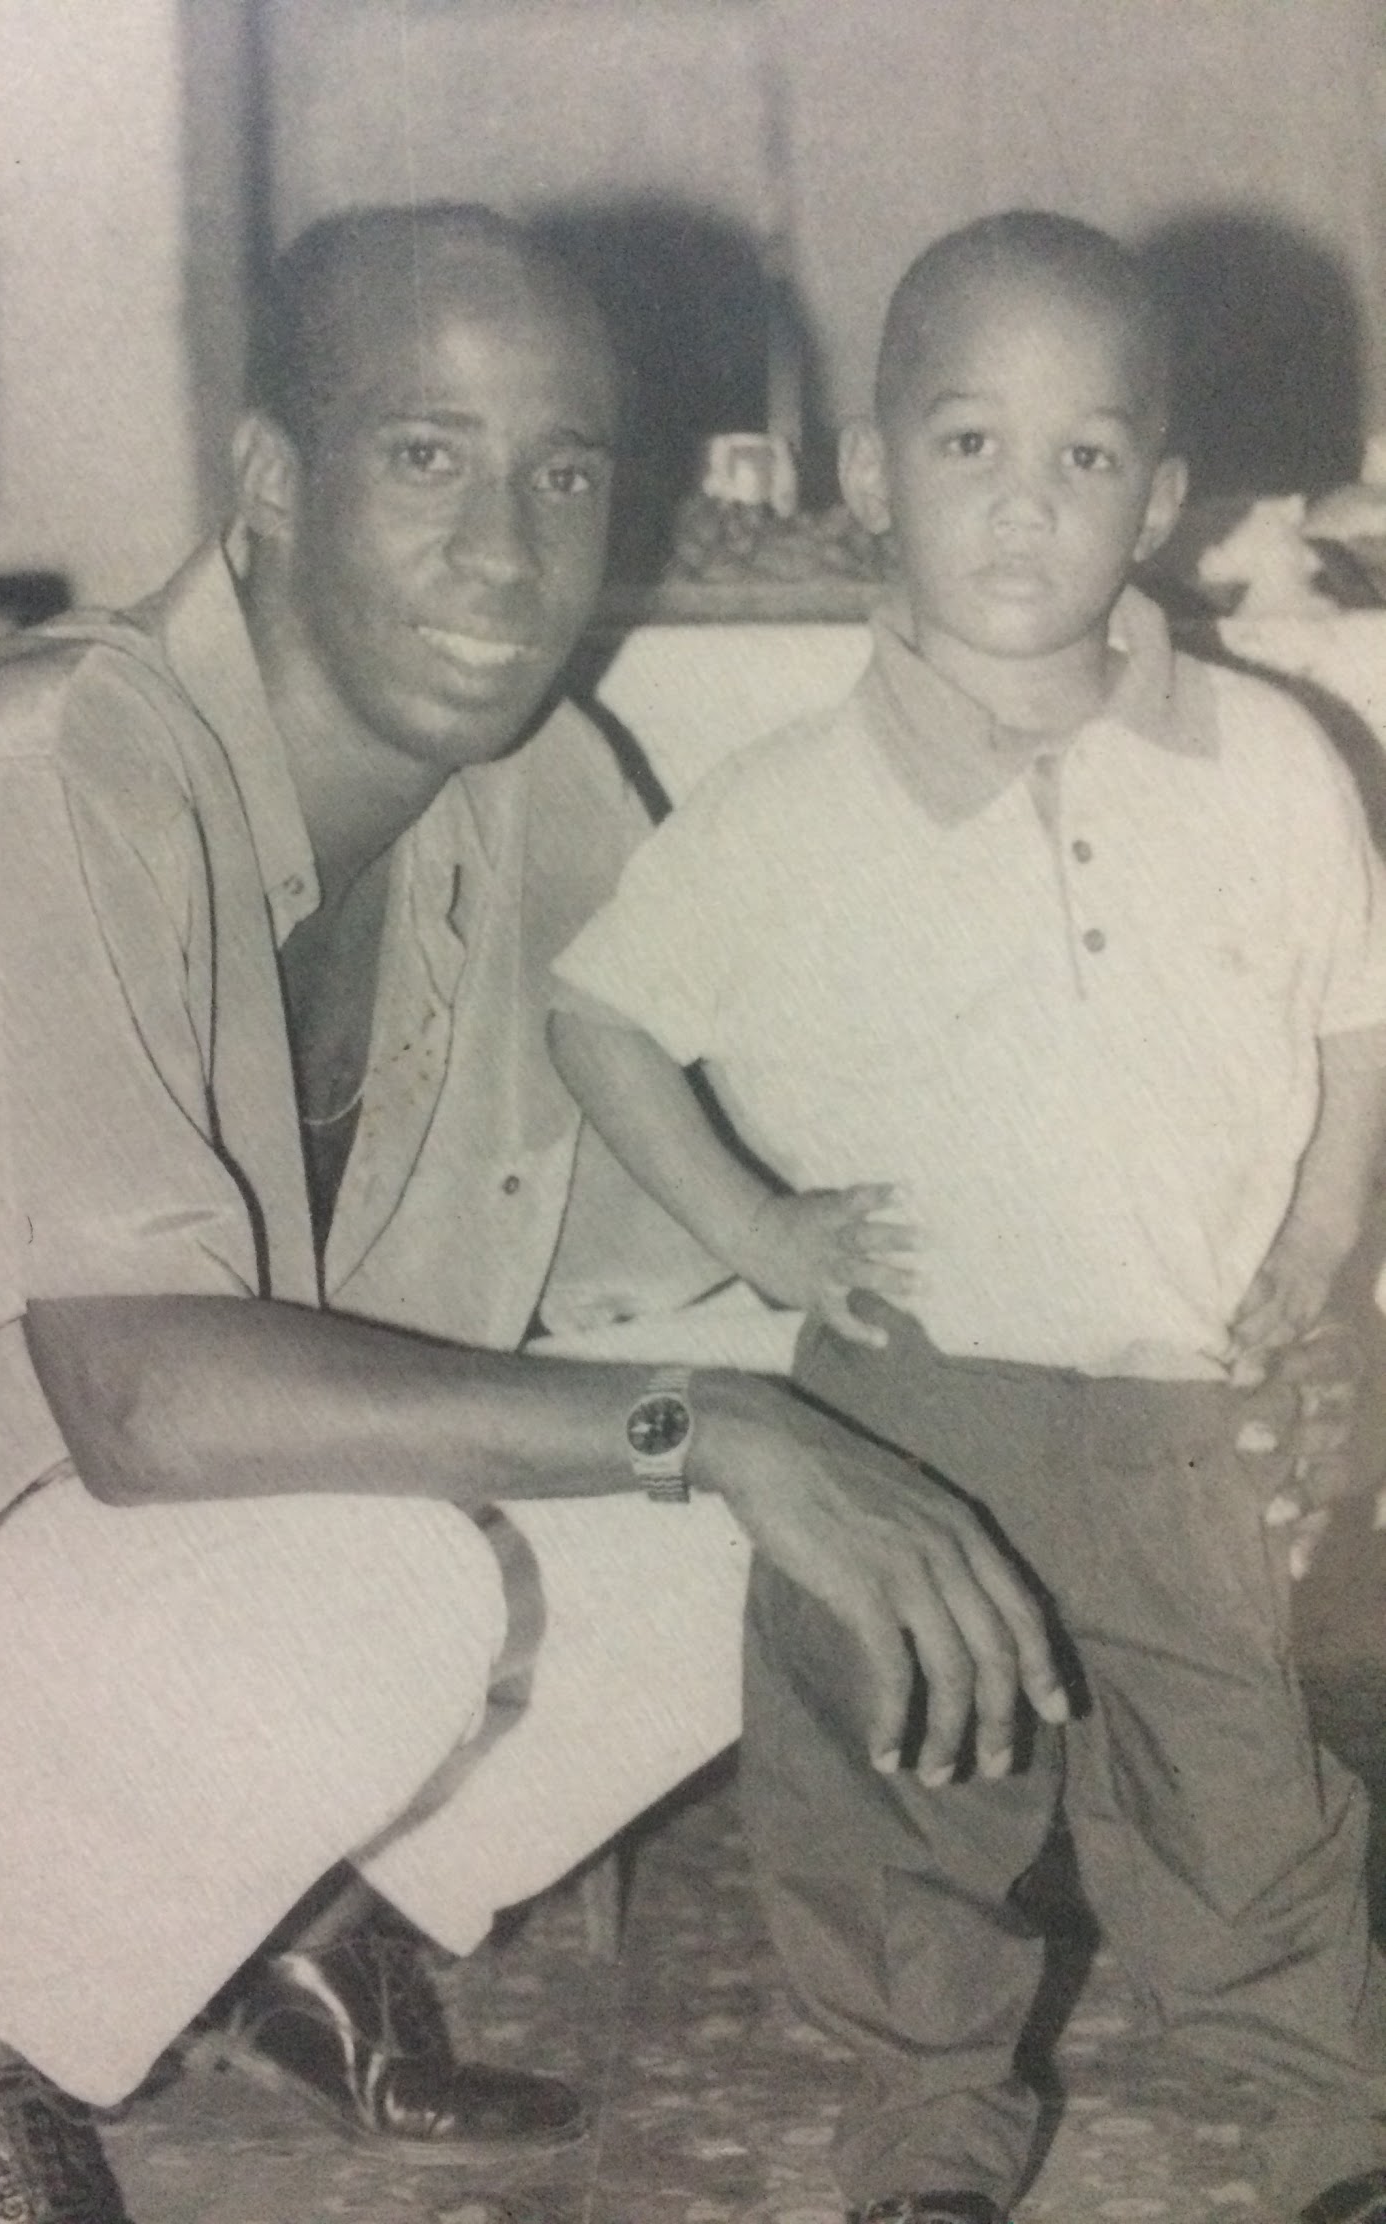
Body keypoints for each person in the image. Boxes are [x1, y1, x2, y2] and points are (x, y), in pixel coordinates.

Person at [0, 203, 1074, 2224]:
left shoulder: (536, 780)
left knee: (835, 1425)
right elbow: (143, 1404)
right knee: (429, 1571)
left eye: (563, 474)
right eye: (428, 457)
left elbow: (723, 1220)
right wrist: (709, 1424)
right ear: (272, 483)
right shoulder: (58, 763)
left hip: (175, 1585)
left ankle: (280, 1917)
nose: (506, 555)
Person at [550, 211, 1386, 2224]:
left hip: (1171, 1398)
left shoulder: (1268, 762)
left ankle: (1329, 2121)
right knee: (896, 1787)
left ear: (1158, 501)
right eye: (968, 444)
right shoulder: (790, 800)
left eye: (1083, 456)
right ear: (872, 473)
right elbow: (600, 1013)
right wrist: (759, 1228)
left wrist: (1314, 1238)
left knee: (1240, 1791)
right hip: (910, 1404)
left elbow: (1355, 1012)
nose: (1025, 503)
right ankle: (926, 2127)